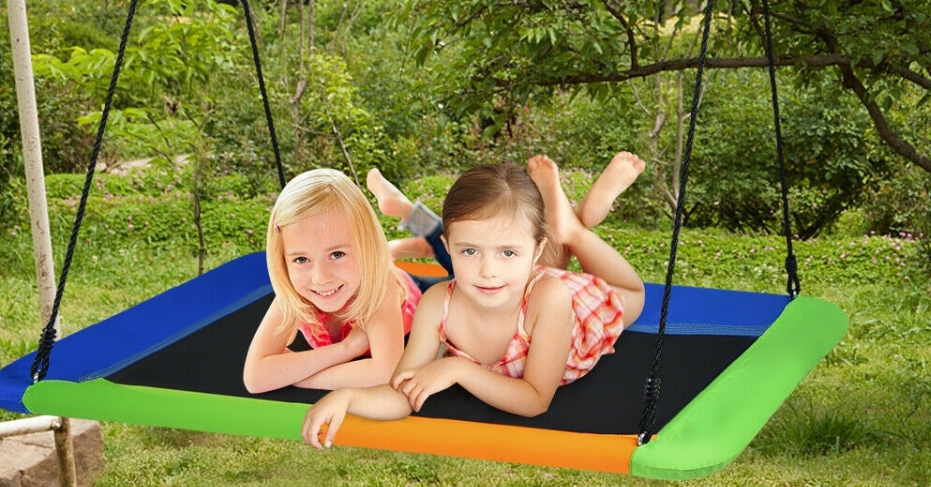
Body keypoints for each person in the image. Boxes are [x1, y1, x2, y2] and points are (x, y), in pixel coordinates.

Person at [302, 158, 647, 446]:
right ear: (447, 248)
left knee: (634, 296)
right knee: (523, 268)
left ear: (533, 249)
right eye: (469, 251)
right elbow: (403, 392)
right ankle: (563, 221)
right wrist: (348, 397)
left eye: (507, 252)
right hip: (525, 285)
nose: (487, 272)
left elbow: (535, 400)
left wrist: (456, 368)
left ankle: (574, 230)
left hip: (575, 310)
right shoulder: (438, 304)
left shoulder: (551, 297)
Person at [243, 167, 420, 394]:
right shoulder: (295, 290)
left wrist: (299, 378)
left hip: (413, 296)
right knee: (390, 251)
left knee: (444, 244)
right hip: (364, 264)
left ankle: (401, 208)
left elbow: (386, 372)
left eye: (336, 255)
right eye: (301, 259)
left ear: (366, 250)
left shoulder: (380, 284)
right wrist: (347, 349)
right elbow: (256, 378)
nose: (320, 278)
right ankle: (397, 237)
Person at [366, 153, 644, 272]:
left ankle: (571, 221)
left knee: (467, 250)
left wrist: (388, 250)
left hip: (493, 295)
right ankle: (577, 217)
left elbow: (432, 248)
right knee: (548, 247)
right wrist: (391, 249)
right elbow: (431, 247)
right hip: (515, 281)